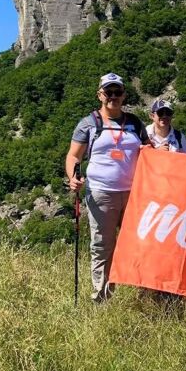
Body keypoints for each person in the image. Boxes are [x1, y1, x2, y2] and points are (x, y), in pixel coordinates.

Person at [65, 73, 150, 303]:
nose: (113, 96)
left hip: (134, 193)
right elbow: (73, 156)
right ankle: (102, 298)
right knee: (103, 245)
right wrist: (73, 177)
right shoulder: (89, 123)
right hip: (101, 193)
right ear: (100, 95)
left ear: (124, 95)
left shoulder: (135, 123)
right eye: (108, 92)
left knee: (139, 242)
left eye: (117, 92)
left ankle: (141, 293)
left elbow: (149, 150)